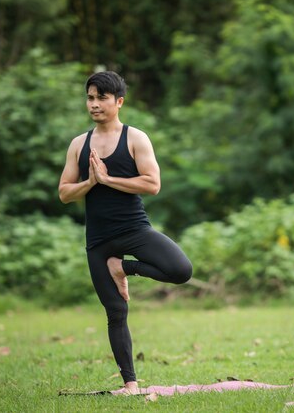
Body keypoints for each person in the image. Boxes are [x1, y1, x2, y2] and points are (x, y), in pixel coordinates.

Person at [58, 71, 193, 394]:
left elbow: (152, 184)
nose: (94, 104)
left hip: (134, 229)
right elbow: (64, 193)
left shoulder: (135, 138)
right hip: (99, 241)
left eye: (101, 98)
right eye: (90, 97)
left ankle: (124, 267)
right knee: (116, 312)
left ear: (119, 102)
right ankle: (130, 384)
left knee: (181, 270)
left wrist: (108, 180)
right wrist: (90, 182)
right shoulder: (79, 144)